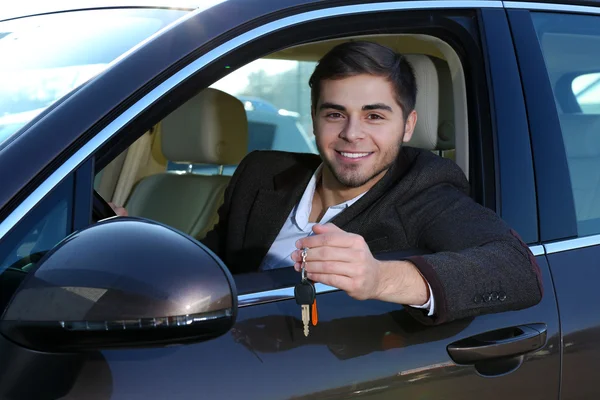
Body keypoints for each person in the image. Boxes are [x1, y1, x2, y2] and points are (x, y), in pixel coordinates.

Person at [111, 41, 543, 325]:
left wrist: (380, 279)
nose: (352, 134)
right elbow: (216, 265)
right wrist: (138, 252)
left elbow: (518, 269)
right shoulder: (262, 172)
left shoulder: (426, 189)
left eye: (375, 116)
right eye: (335, 114)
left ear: (408, 125)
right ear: (314, 118)